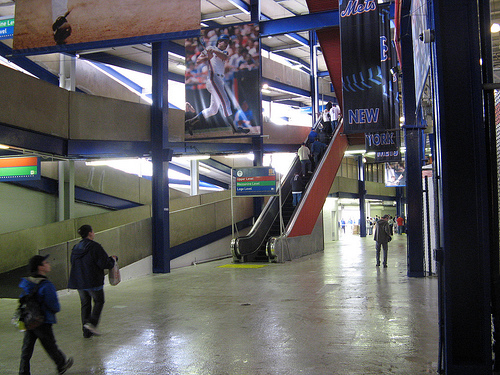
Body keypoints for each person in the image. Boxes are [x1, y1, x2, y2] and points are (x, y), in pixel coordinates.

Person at [19, 255, 74, 375]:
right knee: (50, 345)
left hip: (29, 320)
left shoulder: (27, 283)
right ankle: (61, 365)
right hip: (43, 320)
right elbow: (54, 305)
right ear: (40, 267)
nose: (49, 264)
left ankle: (23, 371)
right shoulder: (46, 285)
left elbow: (22, 299)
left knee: (27, 348)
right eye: (46, 263)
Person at [185, 35, 249, 134]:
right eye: (223, 41)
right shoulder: (211, 49)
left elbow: (225, 57)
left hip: (220, 80)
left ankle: (191, 122)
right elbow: (198, 61)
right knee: (226, 103)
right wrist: (207, 57)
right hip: (213, 78)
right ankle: (235, 129)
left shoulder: (221, 52)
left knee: (213, 110)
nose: (225, 44)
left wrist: (212, 52)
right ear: (219, 41)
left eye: (227, 42)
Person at [68, 225, 117, 338]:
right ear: (90, 233)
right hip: (93, 281)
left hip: (79, 282)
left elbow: (73, 263)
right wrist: (113, 260)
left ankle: (86, 332)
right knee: (99, 301)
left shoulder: (76, 248)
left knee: (85, 304)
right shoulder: (95, 247)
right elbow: (104, 263)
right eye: (93, 231)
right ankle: (92, 324)